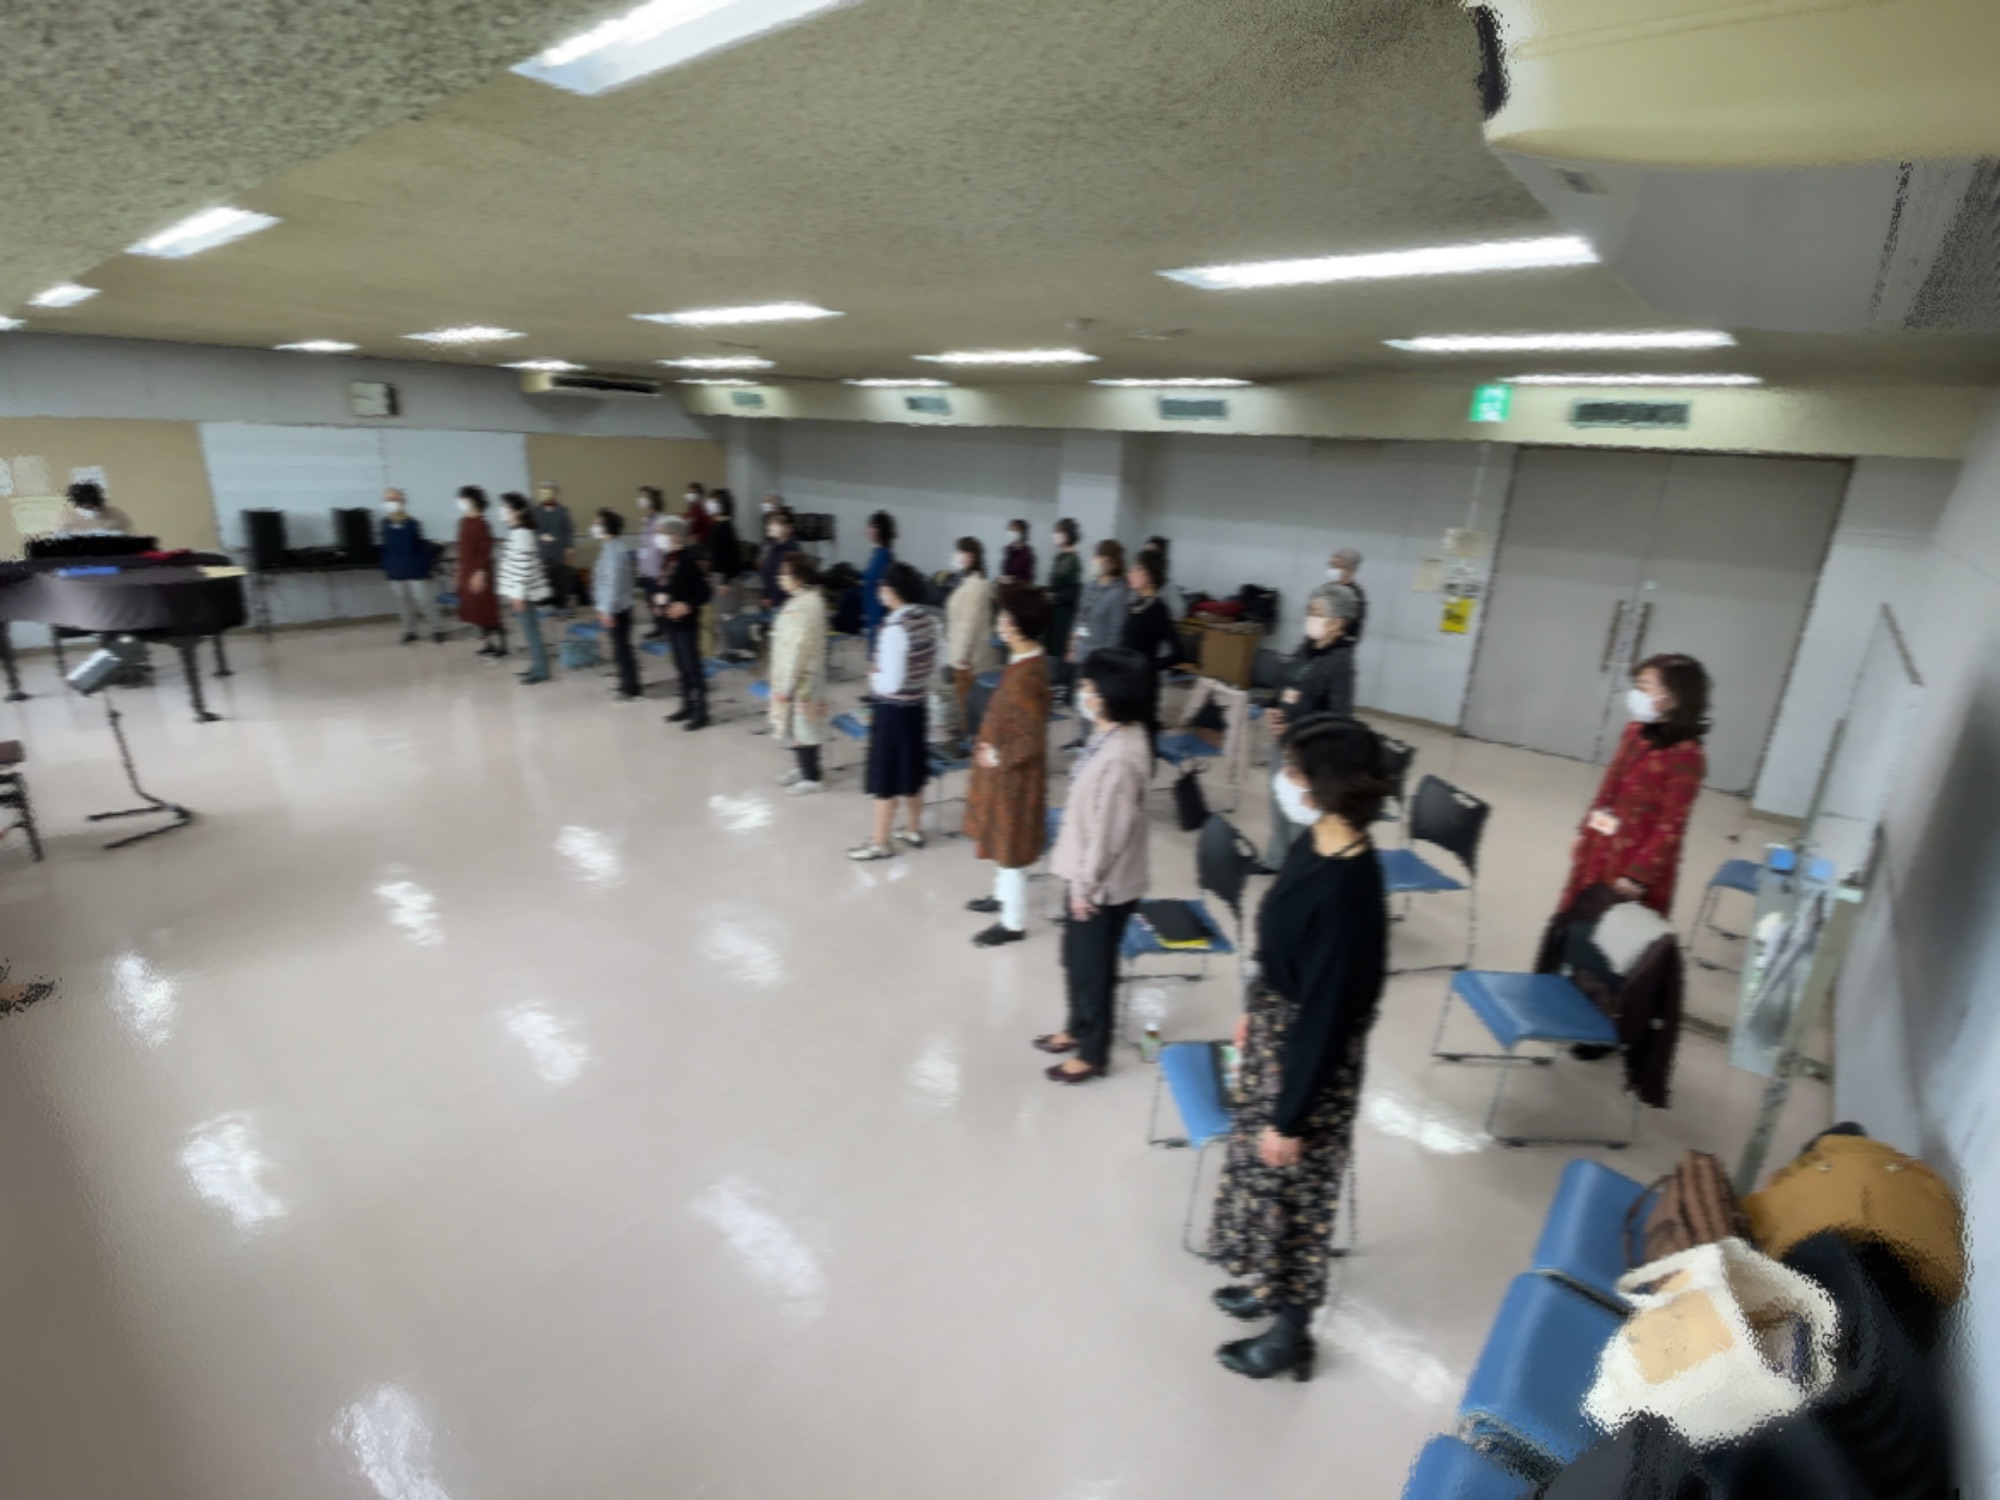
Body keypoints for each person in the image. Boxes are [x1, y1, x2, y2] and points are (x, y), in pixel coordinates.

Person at [1208, 714, 1392, 1381]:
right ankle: (1265, 1283)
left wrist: (1291, 1117)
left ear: (1326, 783)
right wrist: (1253, 1009)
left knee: (1294, 1194)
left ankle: (1291, 1333)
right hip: (1277, 1034)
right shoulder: (1319, 840)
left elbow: (1329, 1018)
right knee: (1261, 1182)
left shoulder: (1349, 892)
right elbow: (1281, 940)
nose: (1284, 780)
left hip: (1308, 1064)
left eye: (1294, 770)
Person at [1040, 646, 1154, 1082]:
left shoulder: (1122, 756)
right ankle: (1076, 1026)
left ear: (1109, 695)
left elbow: (1110, 834)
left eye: (1088, 687)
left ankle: (1093, 1052)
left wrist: (1085, 886)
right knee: (1074, 958)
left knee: (1093, 969)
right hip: (1084, 875)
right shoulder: (1110, 733)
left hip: (1101, 886)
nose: (1082, 693)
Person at [1558, 653, 1711, 918]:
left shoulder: (1686, 755)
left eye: (1644, 687)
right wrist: (1586, 831)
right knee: (1579, 916)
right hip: (1603, 843)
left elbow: (1671, 824)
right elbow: (1609, 787)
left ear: (1674, 696)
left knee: (1617, 928)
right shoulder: (1635, 731)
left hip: (1637, 859)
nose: (1636, 694)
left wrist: (1638, 875)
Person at [963, 585, 1053, 948]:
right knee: (1002, 840)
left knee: (1011, 848)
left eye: (1004, 616)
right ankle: (1001, 897)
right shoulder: (1022, 660)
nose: (999, 622)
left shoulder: (1028, 676)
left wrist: (998, 756)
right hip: (1005, 776)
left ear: (1018, 626)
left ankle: (1013, 923)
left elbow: (1030, 739)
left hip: (1016, 779)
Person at [1259, 582, 1362, 871]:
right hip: (1284, 743)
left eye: (1318, 613)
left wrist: (1297, 732)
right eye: (1310, 611)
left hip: (1309, 752)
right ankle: (1276, 859)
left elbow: (1338, 716)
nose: (1311, 618)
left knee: (1299, 813)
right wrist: (1273, 709)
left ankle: (1296, 869)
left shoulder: (1340, 663)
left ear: (1337, 623)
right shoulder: (1307, 648)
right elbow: (1286, 680)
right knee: (1279, 803)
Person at [849, 563, 939, 861]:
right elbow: (939, 663)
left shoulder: (895, 629)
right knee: (912, 771)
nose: (880, 590)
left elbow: (891, 682)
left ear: (894, 591)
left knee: (885, 776)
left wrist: (874, 675)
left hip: (892, 712)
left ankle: (880, 842)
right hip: (917, 707)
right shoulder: (929, 621)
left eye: (883, 585)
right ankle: (913, 828)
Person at [769, 551, 831, 796]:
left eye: (785, 573)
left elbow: (798, 646)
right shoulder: (802, 599)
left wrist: (789, 682)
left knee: (806, 726)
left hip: (802, 677)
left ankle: (812, 777)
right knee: (797, 726)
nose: (780, 577)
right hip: (798, 675)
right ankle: (803, 769)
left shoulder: (807, 605)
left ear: (800, 577)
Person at [653, 517, 713, 729]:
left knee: (692, 667)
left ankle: (701, 710)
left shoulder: (688, 560)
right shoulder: (668, 558)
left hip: (686, 624)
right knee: (680, 667)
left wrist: (687, 606)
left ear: (677, 536)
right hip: (671, 623)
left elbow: (704, 593)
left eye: (663, 533)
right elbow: (666, 585)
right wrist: (660, 602)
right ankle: (686, 704)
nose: (659, 537)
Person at [945, 536, 1001, 736]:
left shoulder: (976, 585)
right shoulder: (969, 582)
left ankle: (970, 735)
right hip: (964, 649)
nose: (956, 556)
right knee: (963, 696)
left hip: (970, 654)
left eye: (959, 553)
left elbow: (968, 624)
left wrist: (961, 654)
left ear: (970, 557)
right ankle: (966, 730)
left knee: (968, 696)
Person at [496, 492, 552, 685]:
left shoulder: (521, 534)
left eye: (505, 507)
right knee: (529, 631)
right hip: (521, 592)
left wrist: (518, 595)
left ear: (516, 511)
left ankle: (541, 670)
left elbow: (522, 567)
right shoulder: (518, 532)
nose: (501, 511)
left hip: (524, 593)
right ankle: (537, 665)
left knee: (531, 632)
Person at [379, 489, 443, 644]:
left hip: (415, 569)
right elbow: (385, 547)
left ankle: (437, 629)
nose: (390, 503)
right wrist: (386, 568)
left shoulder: (412, 523)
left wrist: (427, 568)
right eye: (388, 499)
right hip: (395, 569)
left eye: (394, 499)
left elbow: (421, 547)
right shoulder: (385, 524)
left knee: (424, 601)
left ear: (402, 502)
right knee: (403, 603)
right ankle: (409, 630)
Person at [592, 509, 640, 703]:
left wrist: (607, 610)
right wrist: (601, 606)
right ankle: (625, 683)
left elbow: (613, 584)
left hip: (617, 608)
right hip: (612, 607)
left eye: (597, 523)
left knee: (622, 648)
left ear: (607, 527)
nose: (594, 526)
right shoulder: (610, 547)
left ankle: (630, 688)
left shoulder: (615, 551)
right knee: (619, 647)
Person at [1121, 548, 1184, 692]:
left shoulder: (1158, 610)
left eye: (1137, 569)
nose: (1130, 572)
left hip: (1142, 685)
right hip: (1125, 679)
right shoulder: (1135, 604)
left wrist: (1146, 666)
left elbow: (1179, 654)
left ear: (1150, 575)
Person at [1046, 518, 1083, 700]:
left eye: (1058, 532)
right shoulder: (1059, 557)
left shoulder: (1073, 560)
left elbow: (1075, 591)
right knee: (1052, 649)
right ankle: (1053, 687)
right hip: (1055, 610)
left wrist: (1057, 596)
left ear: (1067, 535)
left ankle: (1062, 690)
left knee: (1061, 650)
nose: (1055, 535)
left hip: (1065, 612)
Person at [533, 483, 577, 615]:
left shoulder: (562, 511)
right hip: (541, 552)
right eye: (542, 492)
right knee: (543, 579)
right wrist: (540, 536)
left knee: (560, 579)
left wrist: (569, 548)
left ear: (554, 494)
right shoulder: (535, 511)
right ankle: (544, 604)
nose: (544, 495)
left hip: (558, 552)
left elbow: (568, 531)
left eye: (547, 492)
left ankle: (560, 605)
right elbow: (531, 530)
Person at [635, 487, 668, 634]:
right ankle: (658, 628)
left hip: (657, 569)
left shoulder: (662, 520)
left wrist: (664, 572)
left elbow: (664, 547)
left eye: (643, 497)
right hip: (646, 568)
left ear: (652, 500)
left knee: (660, 602)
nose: (640, 500)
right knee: (650, 601)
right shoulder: (646, 520)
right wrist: (640, 570)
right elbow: (644, 545)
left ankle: (665, 629)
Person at [862, 510, 896, 652]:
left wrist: (880, 621)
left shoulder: (883, 557)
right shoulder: (877, 554)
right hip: (872, 613)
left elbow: (884, 591)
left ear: (879, 531)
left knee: (876, 655)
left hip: (878, 616)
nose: (868, 530)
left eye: (872, 526)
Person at [53, 480, 134, 535]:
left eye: (94, 507)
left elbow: (128, 533)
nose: (92, 510)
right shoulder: (64, 519)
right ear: (77, 504)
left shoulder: (115, 515)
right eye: (86, 508)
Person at [759, 508, 800, 614]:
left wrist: (774, 599)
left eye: (774, 524)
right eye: (769, 524)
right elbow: (769, 572)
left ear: (787, 528)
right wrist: (766, 594)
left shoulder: (791, 551)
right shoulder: (775, 545)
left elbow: (790, 584)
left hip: (783, 605)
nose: (769, 527)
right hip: (772, 601)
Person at [1328, 547, 1367, 649]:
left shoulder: (1355, 596)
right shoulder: (1327, 589)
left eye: (1335, 567)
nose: (1332, 570)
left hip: (1337, 649)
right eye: (1331, 566)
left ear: (1349, 570)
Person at [705, 488, 744, 579]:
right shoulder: (718, 525)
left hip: (723, 576)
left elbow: (727, 557)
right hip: (718, 573)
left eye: (712, 502)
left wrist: (724, 581)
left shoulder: (724, 528)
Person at [1000, 518, 1036, 584]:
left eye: (1014, 530)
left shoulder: (1027, 553)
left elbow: (1028, 577)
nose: (1011, 532)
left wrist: (1012, 579)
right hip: (1006, 587)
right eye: (1010, 530)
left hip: (1021, 587)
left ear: (1022, 532)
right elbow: (1004, 570)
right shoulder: (1008, 549)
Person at [682, 482, 713, 550]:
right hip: (689, 545)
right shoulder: (690, 510)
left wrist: (698, 537)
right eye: (688, 493)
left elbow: (710, 530)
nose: (689, 495)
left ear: (699, 495)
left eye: (692, 493)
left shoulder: (703, 511)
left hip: (700, 547)